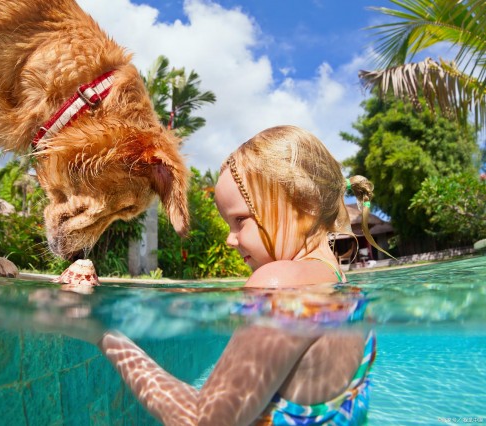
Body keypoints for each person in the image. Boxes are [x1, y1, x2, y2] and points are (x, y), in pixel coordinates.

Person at [97, 125, 385, 425]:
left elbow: (202, 421)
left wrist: (103, 334)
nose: (230, 239)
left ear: (305, 206)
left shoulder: (278, 283)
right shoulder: (343, 286)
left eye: (240, 221)